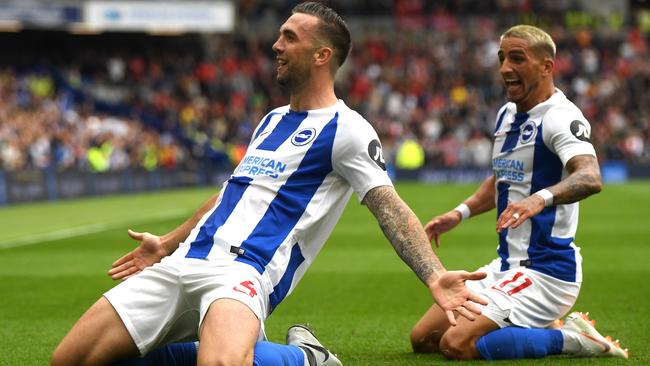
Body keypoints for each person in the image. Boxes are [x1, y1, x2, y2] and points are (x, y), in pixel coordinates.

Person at [51, 3, 487, 366]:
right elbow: (233, 193)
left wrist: (433, 275)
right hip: (182, 262)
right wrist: (167, 243)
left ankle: (303, 358)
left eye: (290, 37)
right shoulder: (272, 119)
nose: (276, 45)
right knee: (70, 360)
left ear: (322, 55)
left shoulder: (348, 129)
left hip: (242, 272)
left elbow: (387, 204)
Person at [409, 24, 629, 361]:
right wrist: (459, 213)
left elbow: (589, 175)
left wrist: (540, 198)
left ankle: (569, 338)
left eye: (517, 58)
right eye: (501, 58)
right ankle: (545, 325)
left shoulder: (560, 117)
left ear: (546, 66)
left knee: (455, 344)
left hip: (547, 272)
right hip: (507, 267)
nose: (505, 68)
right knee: (423, 339)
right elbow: (502, 179)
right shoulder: (506, 114)